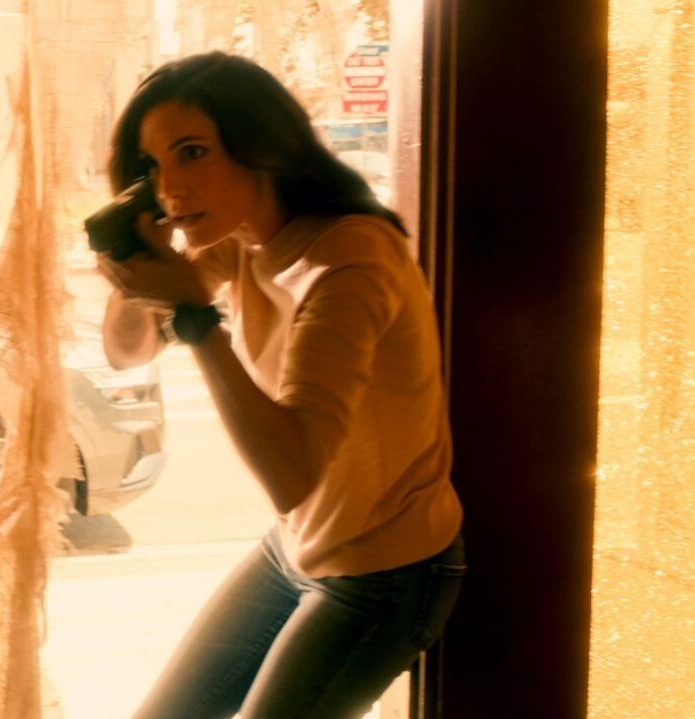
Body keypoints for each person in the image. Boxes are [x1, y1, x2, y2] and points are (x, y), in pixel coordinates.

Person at [95, 52, 465, 719]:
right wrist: (134, 266)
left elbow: (291, 472)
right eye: (153, 166)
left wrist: (197, 319)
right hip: (296, 546)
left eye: (192, 152)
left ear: (260, 144)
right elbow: (127, 350)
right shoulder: (242, 234)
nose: (170, 187)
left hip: (385, 570)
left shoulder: (349, 260)